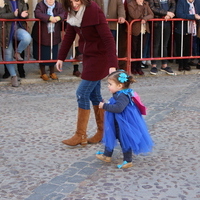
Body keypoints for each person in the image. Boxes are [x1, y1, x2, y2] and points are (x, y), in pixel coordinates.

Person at [56, 0, 118, 146]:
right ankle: (102, 132)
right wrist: (61, 57)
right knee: (94, 95)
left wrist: (112, 64)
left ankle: (80, 135)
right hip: (88, 56)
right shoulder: (72, 13)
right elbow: (69, 36)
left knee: (82, 93)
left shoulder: (94, 11)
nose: (74, 4)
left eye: (77, 0)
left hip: (100, 57)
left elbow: (108, 39)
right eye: (70, 1)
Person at [96, 70, 154, 169]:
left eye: (110, 84)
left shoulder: (122, 96)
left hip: (122, 122)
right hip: (116, 121)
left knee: (124, 140)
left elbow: (119, 108)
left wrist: (105, 106)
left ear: (120, 86)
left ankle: (128, 160)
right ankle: (107, 155)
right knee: (111, 135)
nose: (108, 86)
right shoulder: (120, 93)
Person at [31, 0, 65, 81]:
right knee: (42, 53)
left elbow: (64, 13)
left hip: (54, 33)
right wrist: (49, 18)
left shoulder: (59, 5)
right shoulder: (40, 5)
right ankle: (43, 72)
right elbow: (37, 13)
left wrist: (58, 17)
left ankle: (52, 72)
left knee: (53, 53)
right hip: (42, 33)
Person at [0, 0, 32, 87]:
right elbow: (1, 15)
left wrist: (24, 16)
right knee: (8, 53)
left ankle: (17, 53)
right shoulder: (3, 1)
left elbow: (26, 14)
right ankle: (13, 76)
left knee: (27, 38)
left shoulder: (21, 1)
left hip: (17, 28)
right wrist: (13, 15)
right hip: (5, 30)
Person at [149, 0, 176, 75]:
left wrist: (169, 14)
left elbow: (173, 6)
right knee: (156, 45)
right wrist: (166, 13)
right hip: (157, 23)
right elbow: (152, 8)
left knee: (165, 45)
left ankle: (164, 65)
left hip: (167, 23)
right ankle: (153, 65)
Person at [127, 0, 154, 75]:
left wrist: (145, 19)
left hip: (144, 29)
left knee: (140, 49)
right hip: (135, 29)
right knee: (134, 49)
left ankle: (139, 67)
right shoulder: (131, 4)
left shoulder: (146, 3)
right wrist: (139, 6)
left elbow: (151, 14)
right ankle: (133, 67)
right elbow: (134, 16)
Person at [175, 0, 200, 71]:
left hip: (192, 28)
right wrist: (193, 16)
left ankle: (186, 64)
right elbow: (179, 14)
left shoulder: (197, 2)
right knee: (180, 47)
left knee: (188, 47)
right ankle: (180, 64)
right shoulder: (181, 2)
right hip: (181, 28)